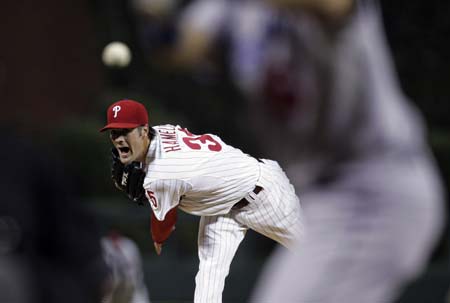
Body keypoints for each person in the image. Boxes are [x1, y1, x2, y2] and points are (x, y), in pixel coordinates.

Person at [155, 0, 446, 302]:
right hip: (325, 201)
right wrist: (160, 18)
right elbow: (180, 47)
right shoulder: (229, 10)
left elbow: (334, 6)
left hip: (376, 186)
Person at [99, 99, 305, 303]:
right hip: (220, 204)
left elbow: (164, 225)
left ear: (143, 131)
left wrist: (157, 238)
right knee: (208, 281)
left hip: (263, 193)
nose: (118, 139)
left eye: (125, 131)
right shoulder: (161, 131)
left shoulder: (161, 175)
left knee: (317, 251)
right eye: (114, 133)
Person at [101, 231, 151, 303]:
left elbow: (135, 267)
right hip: (109, 284)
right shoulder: (104, 244)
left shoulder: (129, 245)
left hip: (130, 283)